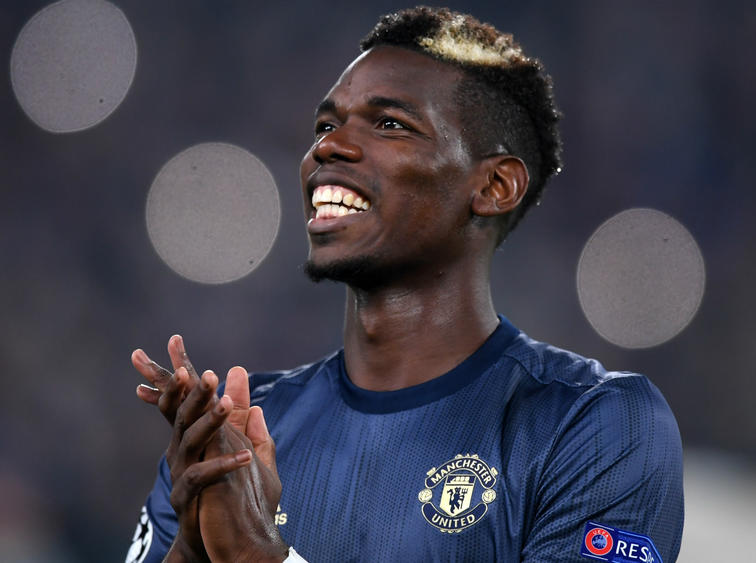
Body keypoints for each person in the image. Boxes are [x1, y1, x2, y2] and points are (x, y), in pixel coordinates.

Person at [126, 7, 684, 563]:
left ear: (494, 185)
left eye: (390, 124)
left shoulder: (592, 423)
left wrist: (256, 555)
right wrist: (194, 550)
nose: (327, 147)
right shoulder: (236, 434)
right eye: (325, 126)